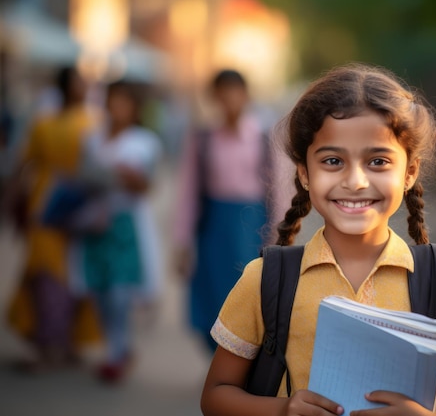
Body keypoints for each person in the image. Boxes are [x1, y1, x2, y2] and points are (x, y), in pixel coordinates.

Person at [200, 64, 436, 416]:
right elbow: (216, 396)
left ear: (409, 172)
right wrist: (283, 409)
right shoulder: (265, 280)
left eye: (378, 161)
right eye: (333, 160)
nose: (355, 181)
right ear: (305, 174)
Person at [5, 66, 101, 371]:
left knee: (76, 277)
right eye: (79, 82)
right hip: (52, 207)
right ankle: (47, 341)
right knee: (47, 275)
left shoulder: (92, 123)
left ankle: (67, 341)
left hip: (74, 206)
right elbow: (24, 165)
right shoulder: (55, 123)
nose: (85, 88)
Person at [172, 69, 275, 353]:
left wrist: (278, 238)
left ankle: (245, 364)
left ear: (246, 95)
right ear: (214, 97)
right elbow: (189, 192)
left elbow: (277, 191)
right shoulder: (204, 140)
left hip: (251, 226)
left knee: (248, 294)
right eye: (222, 92)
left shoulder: (263, 138)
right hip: (214, 225)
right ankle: (218, 364)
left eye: (235, 91)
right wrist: (181, 242)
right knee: (212, 294)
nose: (229, 99)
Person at [69, 80, 162, 383]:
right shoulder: (92, 139)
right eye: (113, 101)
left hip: (125, 225)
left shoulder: (144, 142)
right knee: (98, 288)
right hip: (95, 223)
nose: (117, 108)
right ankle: (114, 347)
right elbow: (81, 176)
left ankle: (118, 350)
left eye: (124, 102)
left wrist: (124, 176)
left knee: (121, 290)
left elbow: (146, 185)